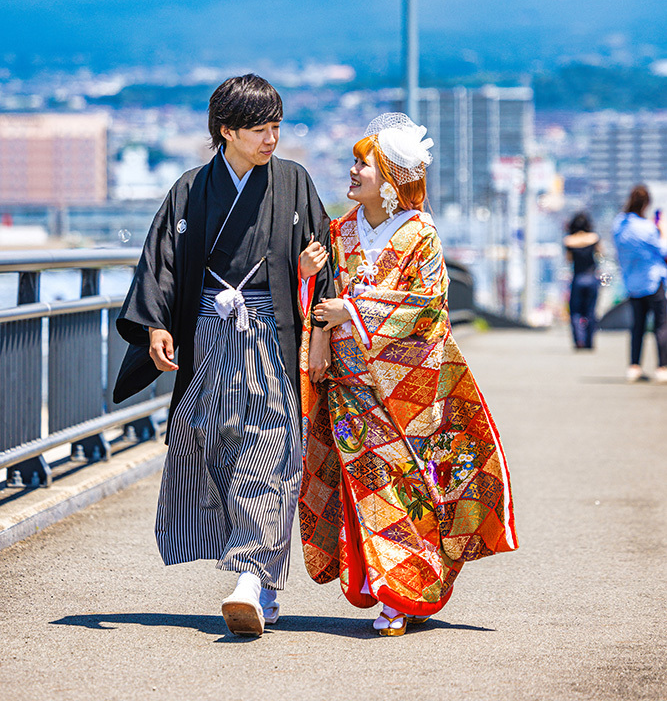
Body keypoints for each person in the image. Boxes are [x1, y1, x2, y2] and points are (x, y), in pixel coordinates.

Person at [113, 74, 333, 637]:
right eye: (260, 129)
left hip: (271, 334)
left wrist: (308, 283)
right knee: (215, 447)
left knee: (271, 454)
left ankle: (249, 579)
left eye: (277, 127)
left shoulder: (294, 183)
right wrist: (155, 326)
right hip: (210, 334)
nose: (272, 140)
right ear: (226, 131)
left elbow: (322, 260)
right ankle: (261, 583)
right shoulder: (190, 189)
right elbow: (160, 262)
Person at [297, 113, 517, 636]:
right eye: (354, 161)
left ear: (393, 179)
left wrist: (351, 313)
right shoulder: (341, 231)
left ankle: (406, 591)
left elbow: (429, 309)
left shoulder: (421, 234)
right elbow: (322, 296)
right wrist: (320, 330)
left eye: (363, 164)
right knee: (365, 487)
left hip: (406, 390)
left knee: (402, 485)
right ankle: (389, 587)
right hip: (348, 385)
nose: (352, 171)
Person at [613, 185, 667, 383]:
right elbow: (663, 250)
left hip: (631, 282)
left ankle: (634, 366)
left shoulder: (619, 224)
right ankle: (662, 367)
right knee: (661, 325)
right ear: (646, 203)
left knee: (637, 326)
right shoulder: (647, 228)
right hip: (653, 280)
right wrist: (661, 230)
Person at [563, 212, 601, 349]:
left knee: (575, 312)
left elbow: (569, 259)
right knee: (590, 311)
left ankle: (579, 340)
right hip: (592, 278)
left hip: (578, 278)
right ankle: (589, 342)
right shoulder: (594, 238)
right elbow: (600, 254)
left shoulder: (569, 241)